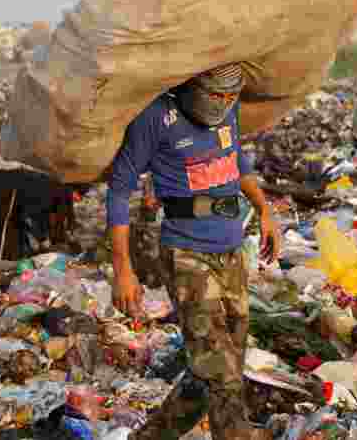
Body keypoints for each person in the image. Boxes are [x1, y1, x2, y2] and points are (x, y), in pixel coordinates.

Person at [107, 63, 281, 440]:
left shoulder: (228, 112)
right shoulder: (156, 118)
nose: (221, 103)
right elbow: (120, 190)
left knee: (218, 366)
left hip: (231, 249)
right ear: (192, 86)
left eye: (229, 96)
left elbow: (237, 161)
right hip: (186, 253)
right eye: (214, 94)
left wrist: (266, 210)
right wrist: (123, 268)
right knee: (223, 375)